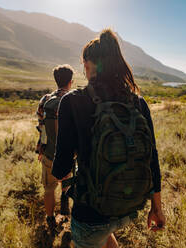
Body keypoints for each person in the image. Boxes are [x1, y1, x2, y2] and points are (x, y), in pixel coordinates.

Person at [52, 29, 165, 248]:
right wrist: (157, 208)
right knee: (105, 235)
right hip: (130, 208)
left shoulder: (71, 102)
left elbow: (60, 168)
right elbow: (153, 159)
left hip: (91, 214)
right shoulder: (138, 102)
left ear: (86, 65)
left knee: (95, 234)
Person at [36, 64, 74, 231]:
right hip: (69, 155)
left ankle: (50, 219)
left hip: (49, 153)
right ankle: (66, 214)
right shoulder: (74, 99)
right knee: (67, 183)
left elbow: (41, 125)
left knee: (49, 189)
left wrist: (41, 148)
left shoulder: (45, 100)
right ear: (71, 82)